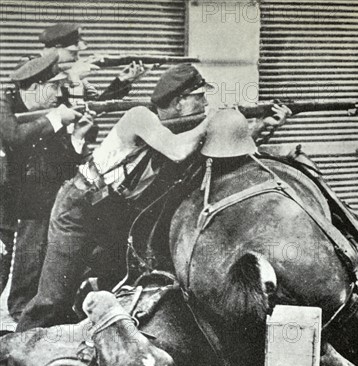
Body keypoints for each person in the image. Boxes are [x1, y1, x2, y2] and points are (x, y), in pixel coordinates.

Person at [17, 63, 290, 331]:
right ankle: (11, 357)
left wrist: (262, 125)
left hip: (112, 213)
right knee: (53, 298)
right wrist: (211, 121)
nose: (206, 105)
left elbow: (217, 154)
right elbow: (177, 151)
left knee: (120, 285)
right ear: (180, 102)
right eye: (200, 99)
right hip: (78, 207)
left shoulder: (180, 128)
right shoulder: (140, 117)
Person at [0, 52, 95, 320]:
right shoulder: (4, 105)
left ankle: (25, 317)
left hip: (37, 201)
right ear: (32, 87)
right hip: (6, 202)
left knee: (34, 265)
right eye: (53, 87)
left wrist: (76, 137)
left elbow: (61, 159)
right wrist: (55, 119)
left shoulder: (49, 108)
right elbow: (14, 137)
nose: (58, 93)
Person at [39, 23, 144, 103]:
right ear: (57, 48)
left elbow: (93, 106)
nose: (77, 59)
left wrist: (123, 81)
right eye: (73, 53)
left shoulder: (70, 73)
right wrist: (74, 78)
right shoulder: (31, 74)